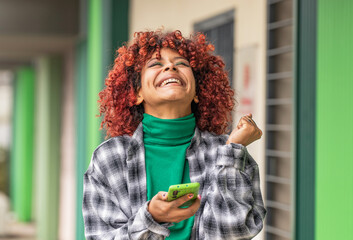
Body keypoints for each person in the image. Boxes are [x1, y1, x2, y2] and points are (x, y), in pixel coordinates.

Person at [82, 30, 266, 240]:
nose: (170, 66)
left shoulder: (229, 153)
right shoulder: (109, 158)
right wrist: (151, 217)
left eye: (182, 63)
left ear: (197, 91)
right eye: (155, 64)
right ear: (137, 93)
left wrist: (233, 151)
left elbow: (233, 233)